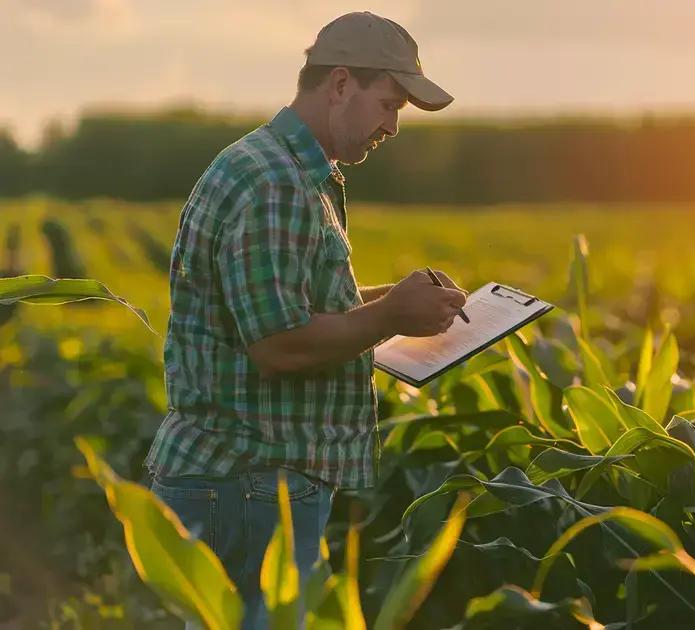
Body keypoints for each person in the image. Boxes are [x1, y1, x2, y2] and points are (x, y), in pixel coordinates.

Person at [142, 11, 465, 628]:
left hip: (245, 480)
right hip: (249, 480)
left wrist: (398, 302)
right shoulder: (275, 185)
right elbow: (279, 344)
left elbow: (288, 307)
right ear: (339, 84)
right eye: (389, 104)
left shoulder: (285, 171)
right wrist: (393, 313)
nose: (393, 127)